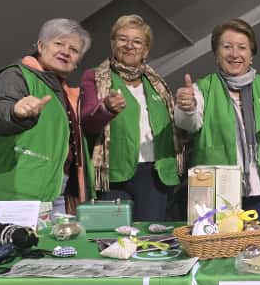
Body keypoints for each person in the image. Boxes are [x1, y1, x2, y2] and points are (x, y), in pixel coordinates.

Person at [173, 19, 260, 221]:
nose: (234, 54)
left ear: (251, 55)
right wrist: (187, 108)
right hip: (214, 190)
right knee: (216, 250)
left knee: (257, 250)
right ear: (216, 54)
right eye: (227, 47)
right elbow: (189, 123)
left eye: (242, 47)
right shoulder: (202, 88)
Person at [0, 18, 93, 217]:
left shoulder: (64, 92)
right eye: (59, 43)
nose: (66, 52)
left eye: (74, 50)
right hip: (11, 195)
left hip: (53, 191)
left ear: (77, 62)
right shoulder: (15, 76)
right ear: (41, 46)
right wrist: (16, 113)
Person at [79, 15, 186, 222]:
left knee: (148, 239)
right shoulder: (94, 77)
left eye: (137, 42)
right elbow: (87, 124)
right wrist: (106, 109)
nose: (129, 46)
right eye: (122, 39)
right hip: (113, 174)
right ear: (112, 43)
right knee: (113, 238)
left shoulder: (157, 82)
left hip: (154, 174)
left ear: (145, 50)